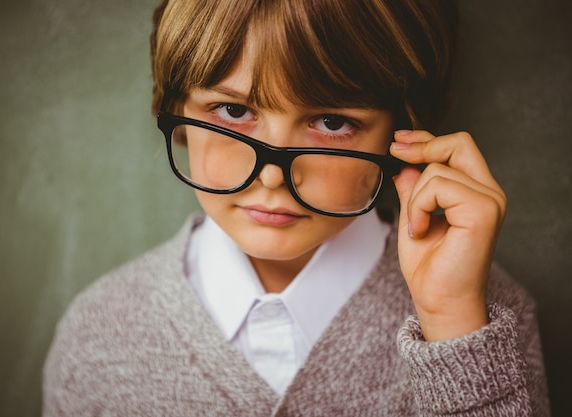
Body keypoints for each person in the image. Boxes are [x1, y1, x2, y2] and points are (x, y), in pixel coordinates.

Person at [43, 0, 550, 415]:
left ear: (402, 130)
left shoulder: (483, 318)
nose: (271, 175)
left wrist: (452, 325)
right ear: (175, 111)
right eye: (234, 111)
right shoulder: (97, 335)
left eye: (331, 122)